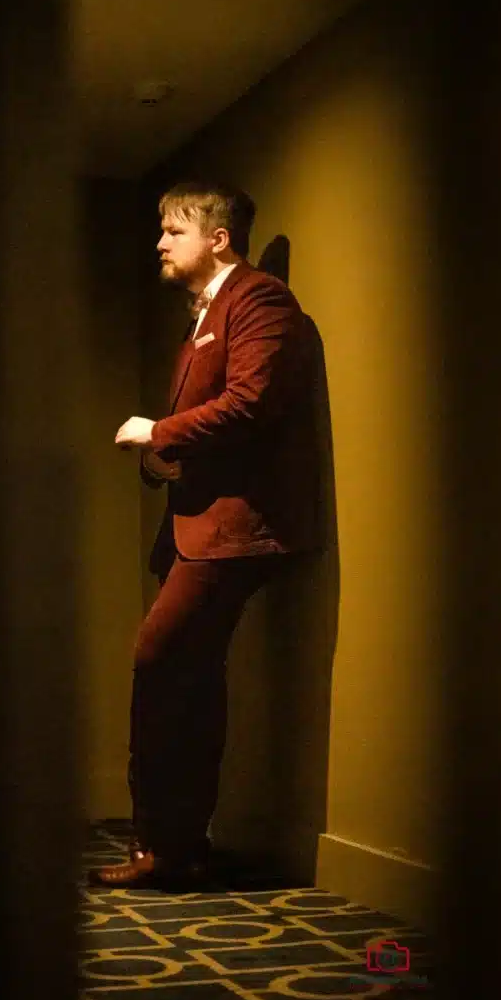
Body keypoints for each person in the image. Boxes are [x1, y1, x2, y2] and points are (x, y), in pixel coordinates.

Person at [88, 181, 322, 889]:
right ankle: (174, 845)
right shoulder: (206, 314)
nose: (160, 242)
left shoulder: (257, 300)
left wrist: (157, 431)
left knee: (160, 662)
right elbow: (217, 417)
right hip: (199, 526)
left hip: (235, 530)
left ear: (218, 237)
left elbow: (250, 402)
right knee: (184, 679)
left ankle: (164, 845)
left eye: (173, 230)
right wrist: (166, 458)